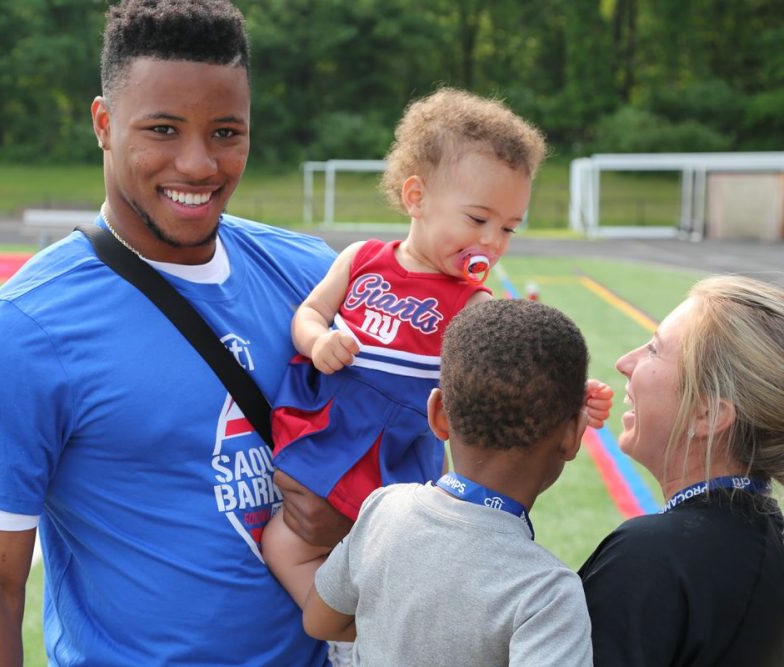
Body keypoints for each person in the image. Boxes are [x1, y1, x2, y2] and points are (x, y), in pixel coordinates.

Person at [0, 1, 336, 664]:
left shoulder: (314, 280)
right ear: (104, 124)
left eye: (226, 132)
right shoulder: (21, 333)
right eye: (164, 129)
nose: (200, 164)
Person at [262, 87, 613, 611]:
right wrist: (319, 342)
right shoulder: (362, 259)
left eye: (508, 228)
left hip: (397, 456)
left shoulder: (473, 304)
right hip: (331, 430)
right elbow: (308, 315)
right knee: (282, 539)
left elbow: (517, 376)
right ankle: (329, 619)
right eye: (477, 220)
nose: (492, 241)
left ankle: (357, 628)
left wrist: (568, 400)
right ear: (416, 198)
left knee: (388, 563)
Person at [303, 298, 595, 666]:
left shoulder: (383, 508)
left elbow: (319, 620)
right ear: (572, 435)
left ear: (438, 415)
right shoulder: (547, 594)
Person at [579, 275, 784, 667]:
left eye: (654, 349)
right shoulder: (767, 539)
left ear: (707, 413)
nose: (625, 363)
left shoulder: (652, 560)